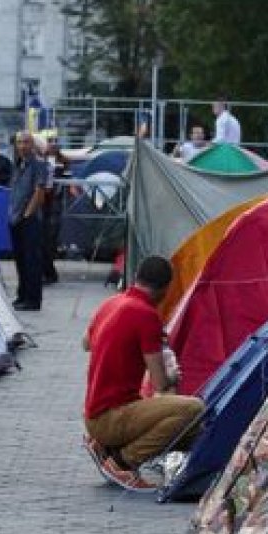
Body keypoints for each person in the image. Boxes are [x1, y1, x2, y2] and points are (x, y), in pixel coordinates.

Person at [82, 256, 205, 492]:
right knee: (193, 409)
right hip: (111, 416)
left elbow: (86, 343)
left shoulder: (112, 303)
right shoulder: (145, 315)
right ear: (165, 288)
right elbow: (160, 384)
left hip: (93, 414)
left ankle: (108, 449)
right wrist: (173, 376)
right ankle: (123, 462)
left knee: (192, 431)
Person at [9, 132, 46, 311]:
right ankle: (22, 295)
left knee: (32, 260)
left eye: (26, 142)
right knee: (20, 260)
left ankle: (33, 299)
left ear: (32, 144)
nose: (22, 146)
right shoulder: (17, 164)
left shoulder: (38, 164)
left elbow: (39, 192)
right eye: (19, 143)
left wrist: (27, 214)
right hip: (15, 217)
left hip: (29, 219)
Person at [42, 137, 69, 284]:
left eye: (55, 144)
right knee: (44, 239)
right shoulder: (41, 160)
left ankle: (49, 271)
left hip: (54, 203)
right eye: (50, 143)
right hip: (44, 203)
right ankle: (48, 271)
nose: (52, 146)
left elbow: (66, 177)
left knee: (51, 238)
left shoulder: (63, 161)